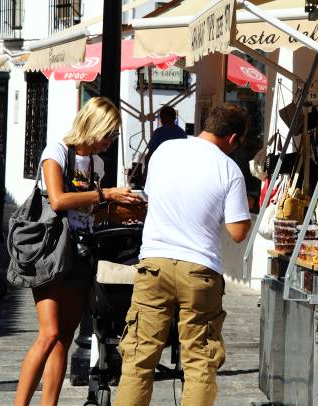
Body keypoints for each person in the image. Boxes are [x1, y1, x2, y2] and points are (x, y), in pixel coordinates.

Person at [114, 104, 252, 406]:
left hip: (154, 262)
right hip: (200, 269)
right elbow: (238, 233)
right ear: (232, 138)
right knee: (200, 363)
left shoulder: (164, 151)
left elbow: (152, 196)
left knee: (139, 359)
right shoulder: (229, 169)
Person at [14, 97, 142, 406]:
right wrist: (106, 193)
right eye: (109, 134)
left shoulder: (95, 164)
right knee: (48, 334)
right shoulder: (56, 152)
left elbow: (90, 212)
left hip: (81, 251)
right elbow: (57, 200)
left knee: (64, 340)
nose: (111, 142)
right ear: (94, 127)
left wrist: (117, 207)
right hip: (51, 250)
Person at [144, 105, 186, 173]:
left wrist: (146, 170)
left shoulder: (159, 132)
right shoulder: (182, 133)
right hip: (177, 170)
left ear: (162, 118)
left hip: (160, 170)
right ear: (175, 118)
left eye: (161, 117)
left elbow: (150, 154)